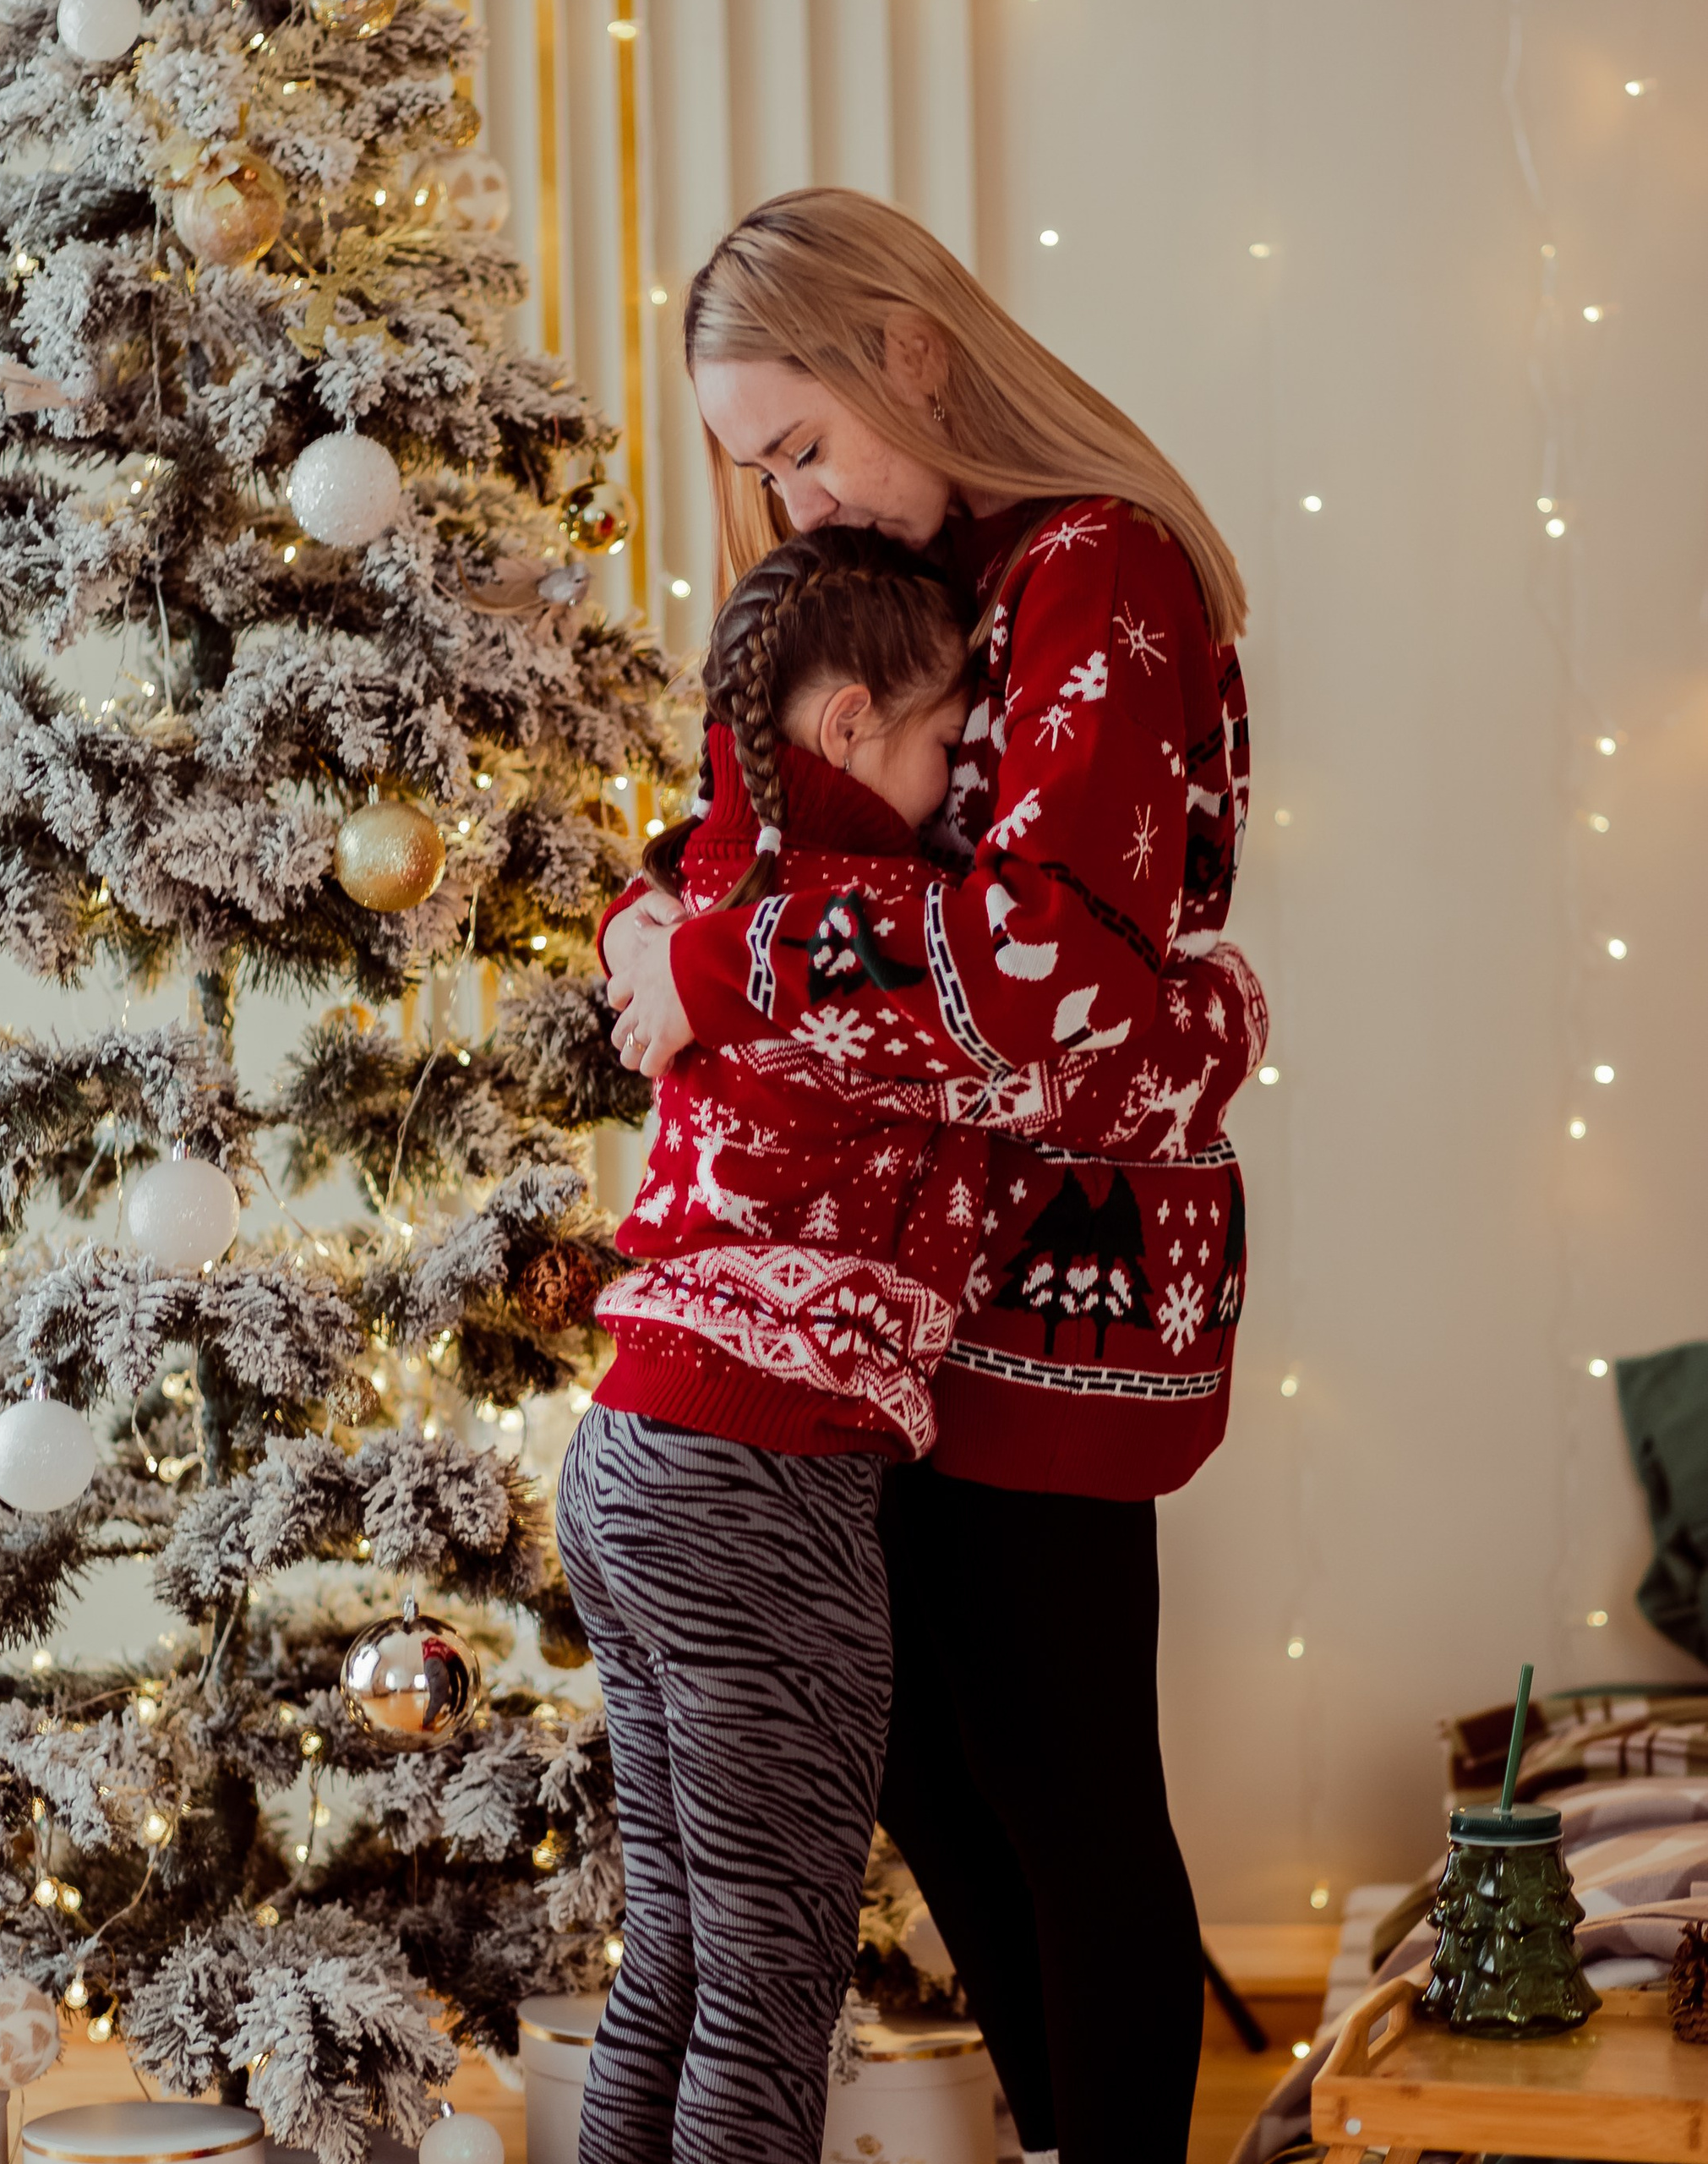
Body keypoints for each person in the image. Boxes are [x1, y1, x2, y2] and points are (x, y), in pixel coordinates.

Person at [600, 186, 1264, 2164]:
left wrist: (720, 980)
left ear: (908, 350)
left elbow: (1043, 972)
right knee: (915, 1757)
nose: (791, 500)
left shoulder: (1095, 571)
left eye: (802, 443)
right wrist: (652, 933)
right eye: (757, 469)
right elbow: (730, 845)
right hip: (870, 1304)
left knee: (1061, 1779)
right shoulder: (887, 586)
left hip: (1059, 1277)